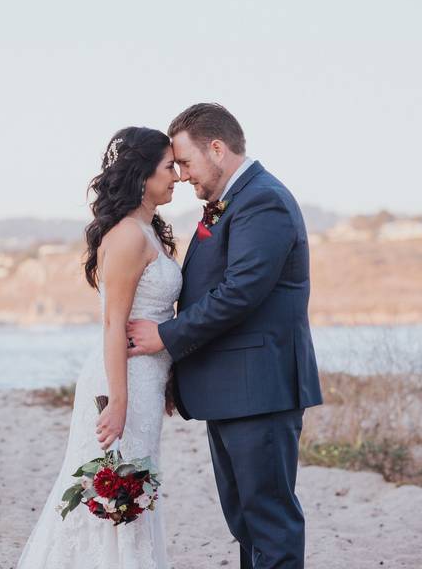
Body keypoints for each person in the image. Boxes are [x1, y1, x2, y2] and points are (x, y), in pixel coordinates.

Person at [126, 103, 323, 569]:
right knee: (245, 521)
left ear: (217, 148)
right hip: (233, 390)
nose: (183, 176)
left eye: (186, 163)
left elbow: (241, 292)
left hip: (260, 389)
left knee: (269, 520)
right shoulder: (233, 200)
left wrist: (166, 337)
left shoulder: (263, 200)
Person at [16, 126, 181, 568]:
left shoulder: (148, 233)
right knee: (114, 494)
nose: (178, 176)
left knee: (132, 493)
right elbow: (113, 324)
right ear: (143, 176)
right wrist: (119, 400)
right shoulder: (128, 235)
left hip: (146, 380)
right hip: (120, 382)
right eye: (169, 168)